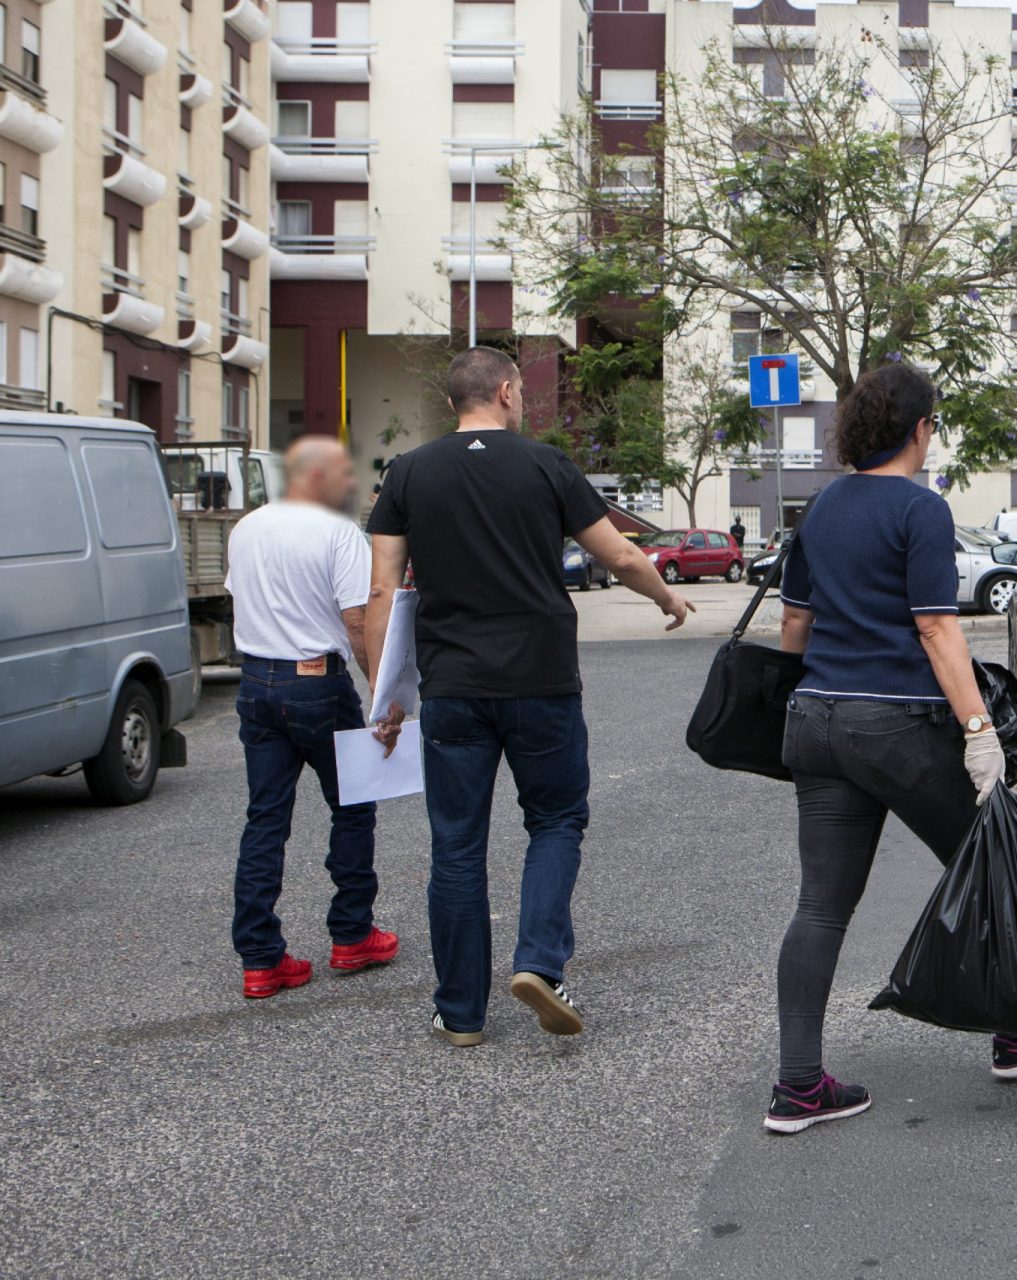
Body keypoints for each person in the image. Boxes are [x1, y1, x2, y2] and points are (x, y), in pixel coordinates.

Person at [767, 361, 1017, 1135]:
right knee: (993, 871)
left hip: (815, 720)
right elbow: (938, 628)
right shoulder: (921, 510)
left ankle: (798, 1087)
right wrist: (981, 733)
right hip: (898, 725)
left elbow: (794, 629)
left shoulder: (821, 509)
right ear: (919, 428)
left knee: (820, 905)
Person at [364, 346, 694, 1047]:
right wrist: (667, 597)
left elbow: (382, 591)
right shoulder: (548, 466)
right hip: (541, 680)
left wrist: (384, 697)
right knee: (555, 820)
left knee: (456, 846)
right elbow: (622, 555)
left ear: (456, 400)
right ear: (509, 392)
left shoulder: (409, 473)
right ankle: (540, 962)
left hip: (452, 687)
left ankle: (459, 1013)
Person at [227, 437, 398, 999]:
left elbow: (244, 599)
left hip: (256, 683)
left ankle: (260, 957)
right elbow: (356, 620)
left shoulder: (245, 528)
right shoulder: (335, 532)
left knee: (266, 819)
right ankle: (351, 935)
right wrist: (381, 694)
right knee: (352, 806)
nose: (350, 484)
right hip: (317, 684)